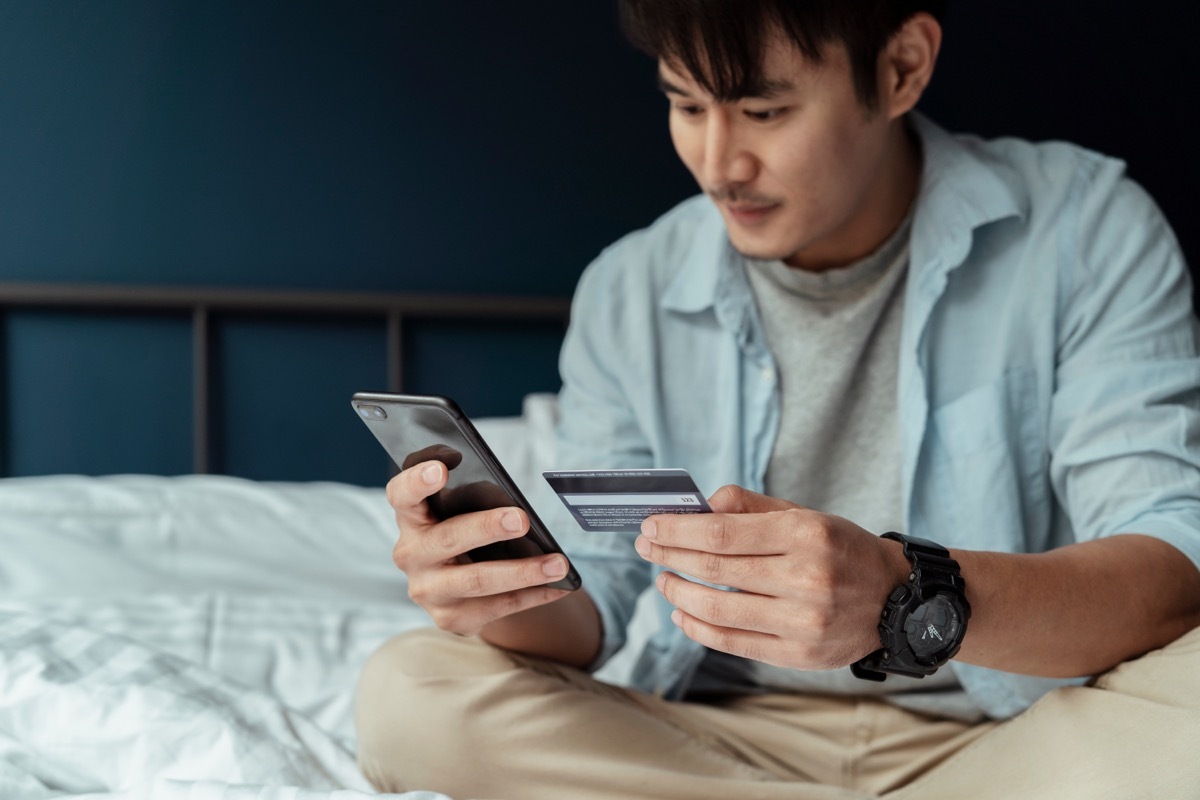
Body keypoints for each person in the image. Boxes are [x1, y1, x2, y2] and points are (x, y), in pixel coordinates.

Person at [354, 1, 1200, 797]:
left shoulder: (1086, 229)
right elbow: (595, 612)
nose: (720, 166)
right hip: (719, 739)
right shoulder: (631, 288)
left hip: (1013, 732)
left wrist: (905, 597)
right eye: (686, 105)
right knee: (413, 687)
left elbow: (1173, 566)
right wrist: (499, 587)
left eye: (765, 112)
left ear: (902, 68)